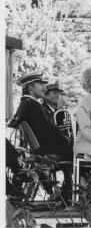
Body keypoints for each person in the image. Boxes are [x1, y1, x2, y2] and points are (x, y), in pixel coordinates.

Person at [8, 70, 73, 201]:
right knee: (81, 153)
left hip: (45, 149)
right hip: (48, 152)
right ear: (31, 87)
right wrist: (68, 140)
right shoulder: (31, 105)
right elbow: (49, 132)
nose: (44, 87)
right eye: (40, 84)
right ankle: (68, 195)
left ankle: (64, 193)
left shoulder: (28, 104)